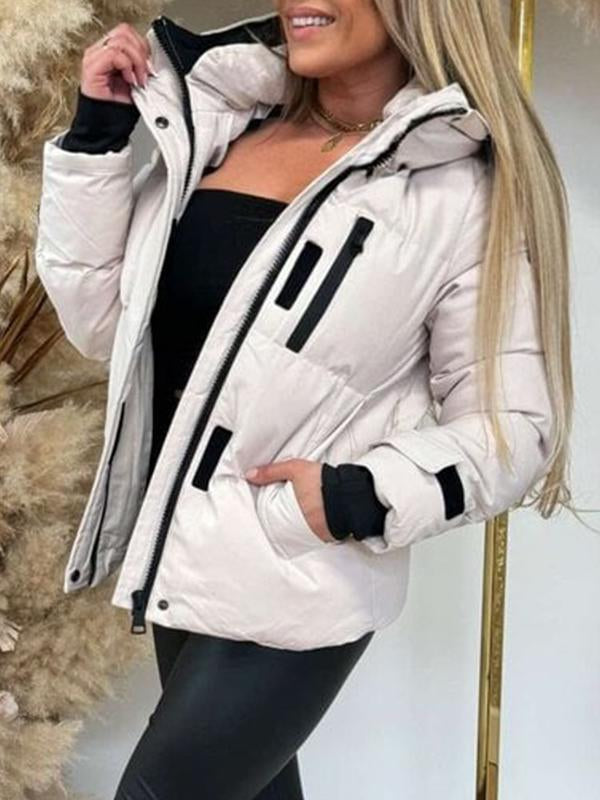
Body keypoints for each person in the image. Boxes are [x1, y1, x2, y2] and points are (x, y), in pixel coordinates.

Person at [34, 2, 571, 797]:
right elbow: (105, 326)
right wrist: (98, 137)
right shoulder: (222, 130)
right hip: (183, 553)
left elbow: (513, 424)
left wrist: (357, 495)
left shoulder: (458, 187)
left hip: (299, 572)